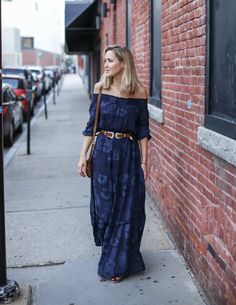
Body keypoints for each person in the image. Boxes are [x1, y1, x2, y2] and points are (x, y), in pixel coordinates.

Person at [77, 45, 151, 282]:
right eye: (105, 60)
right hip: (103, 154)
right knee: (107, 208)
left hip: (128, 154)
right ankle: (114, 256)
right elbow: (91, 126)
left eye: (110, 61)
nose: (106, 64)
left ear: (123, 63)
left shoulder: (139, 91)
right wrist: (82, 156)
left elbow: (142, 130)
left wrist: (144, 161)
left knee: (128, 208)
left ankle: (115, 264)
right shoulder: (100, 88)